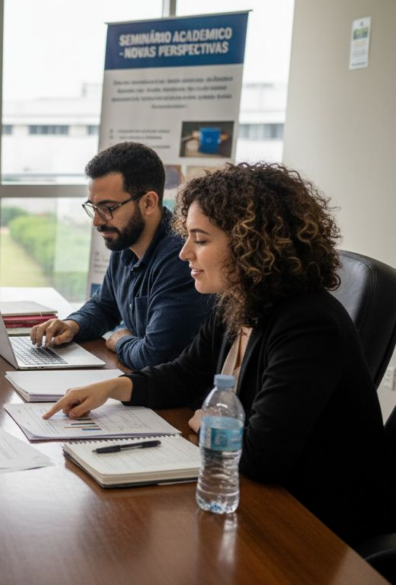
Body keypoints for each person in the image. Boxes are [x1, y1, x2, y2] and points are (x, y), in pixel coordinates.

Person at [43, 162, 390, 544]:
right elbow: (183, 373)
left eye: (201, 240)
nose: (185, 253)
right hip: (248, 494)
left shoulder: (307, 323)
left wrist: (207, 422)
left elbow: (262, 456)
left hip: (315, 524)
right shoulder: (239, 302)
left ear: (250, 245)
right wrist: (112, 388)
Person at [30, 142, 211, 370]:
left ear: (148, 203)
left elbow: (156, 356)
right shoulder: (127, 241)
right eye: (93, 207)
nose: (97, 220)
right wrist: (72, 324)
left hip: (177, 401)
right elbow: (105, 306)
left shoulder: (180, 257)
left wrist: (120, 340)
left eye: (108, 208)